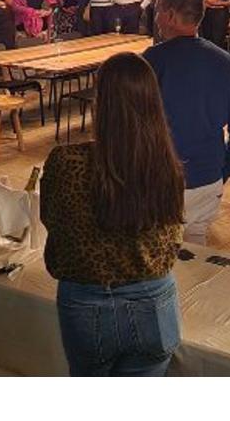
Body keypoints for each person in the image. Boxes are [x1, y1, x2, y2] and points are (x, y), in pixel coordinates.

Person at [40, 53, 185, 376]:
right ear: (152, 102)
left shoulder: (65, 163)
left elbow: (52, 221)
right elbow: (174, 238)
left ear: (100, 102)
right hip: (153, 301)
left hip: (86, 303)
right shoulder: (166, 167)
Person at [144, 0, 230, 244]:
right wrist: (224, 169)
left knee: (156, 252)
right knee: (196, 251)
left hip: (161, 178)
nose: (156, 17)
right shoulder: (224, 61)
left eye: (158, 10)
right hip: (207, 178)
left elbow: (133, 126)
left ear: (170, 15)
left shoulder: (153, 61)